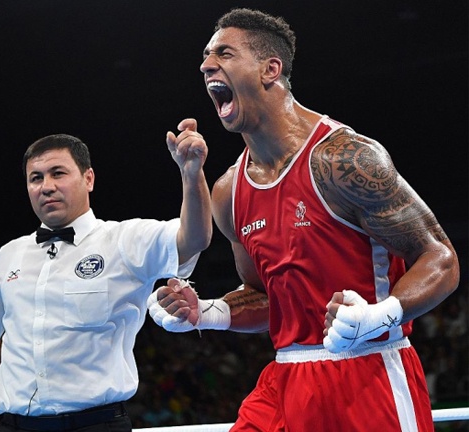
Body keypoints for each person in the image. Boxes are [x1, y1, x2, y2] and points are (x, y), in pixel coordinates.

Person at [147, 8, 460, 432]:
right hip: (286, 377)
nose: (206, 66)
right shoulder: (228, 192)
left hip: (368, 373)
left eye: (224, 53)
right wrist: (204, 311)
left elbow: (440, 258)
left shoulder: (345, 159)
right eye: (205, 56)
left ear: (270, 69)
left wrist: (380, 313)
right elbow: (263, 295)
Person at [0, 125, 213, 432]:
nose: (46, 186)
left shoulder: (125, 240)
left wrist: (191, 173)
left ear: (88, 178)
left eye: (58, 173)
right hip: (13, 426)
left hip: (95, 424)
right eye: (35, 178)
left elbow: (194, 238)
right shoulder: (10, 254)